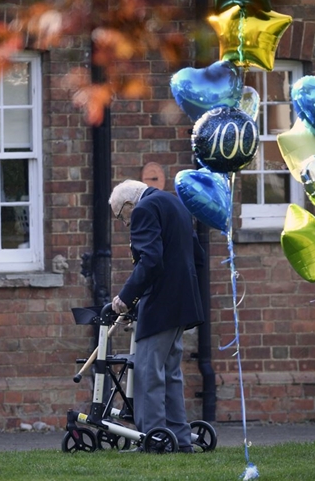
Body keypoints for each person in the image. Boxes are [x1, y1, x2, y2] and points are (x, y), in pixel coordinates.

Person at [109, 179, 205, 453]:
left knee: (147, 374)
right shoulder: (175, 203)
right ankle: (179, 439)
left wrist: (126, 298)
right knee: (171, 374)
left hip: (161, 305)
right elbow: (197, 256)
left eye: (121, 217)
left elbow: (150, 260)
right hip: (183, 303)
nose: (125, 224)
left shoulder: (144, 209)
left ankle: (153, 440)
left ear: (129, 205)